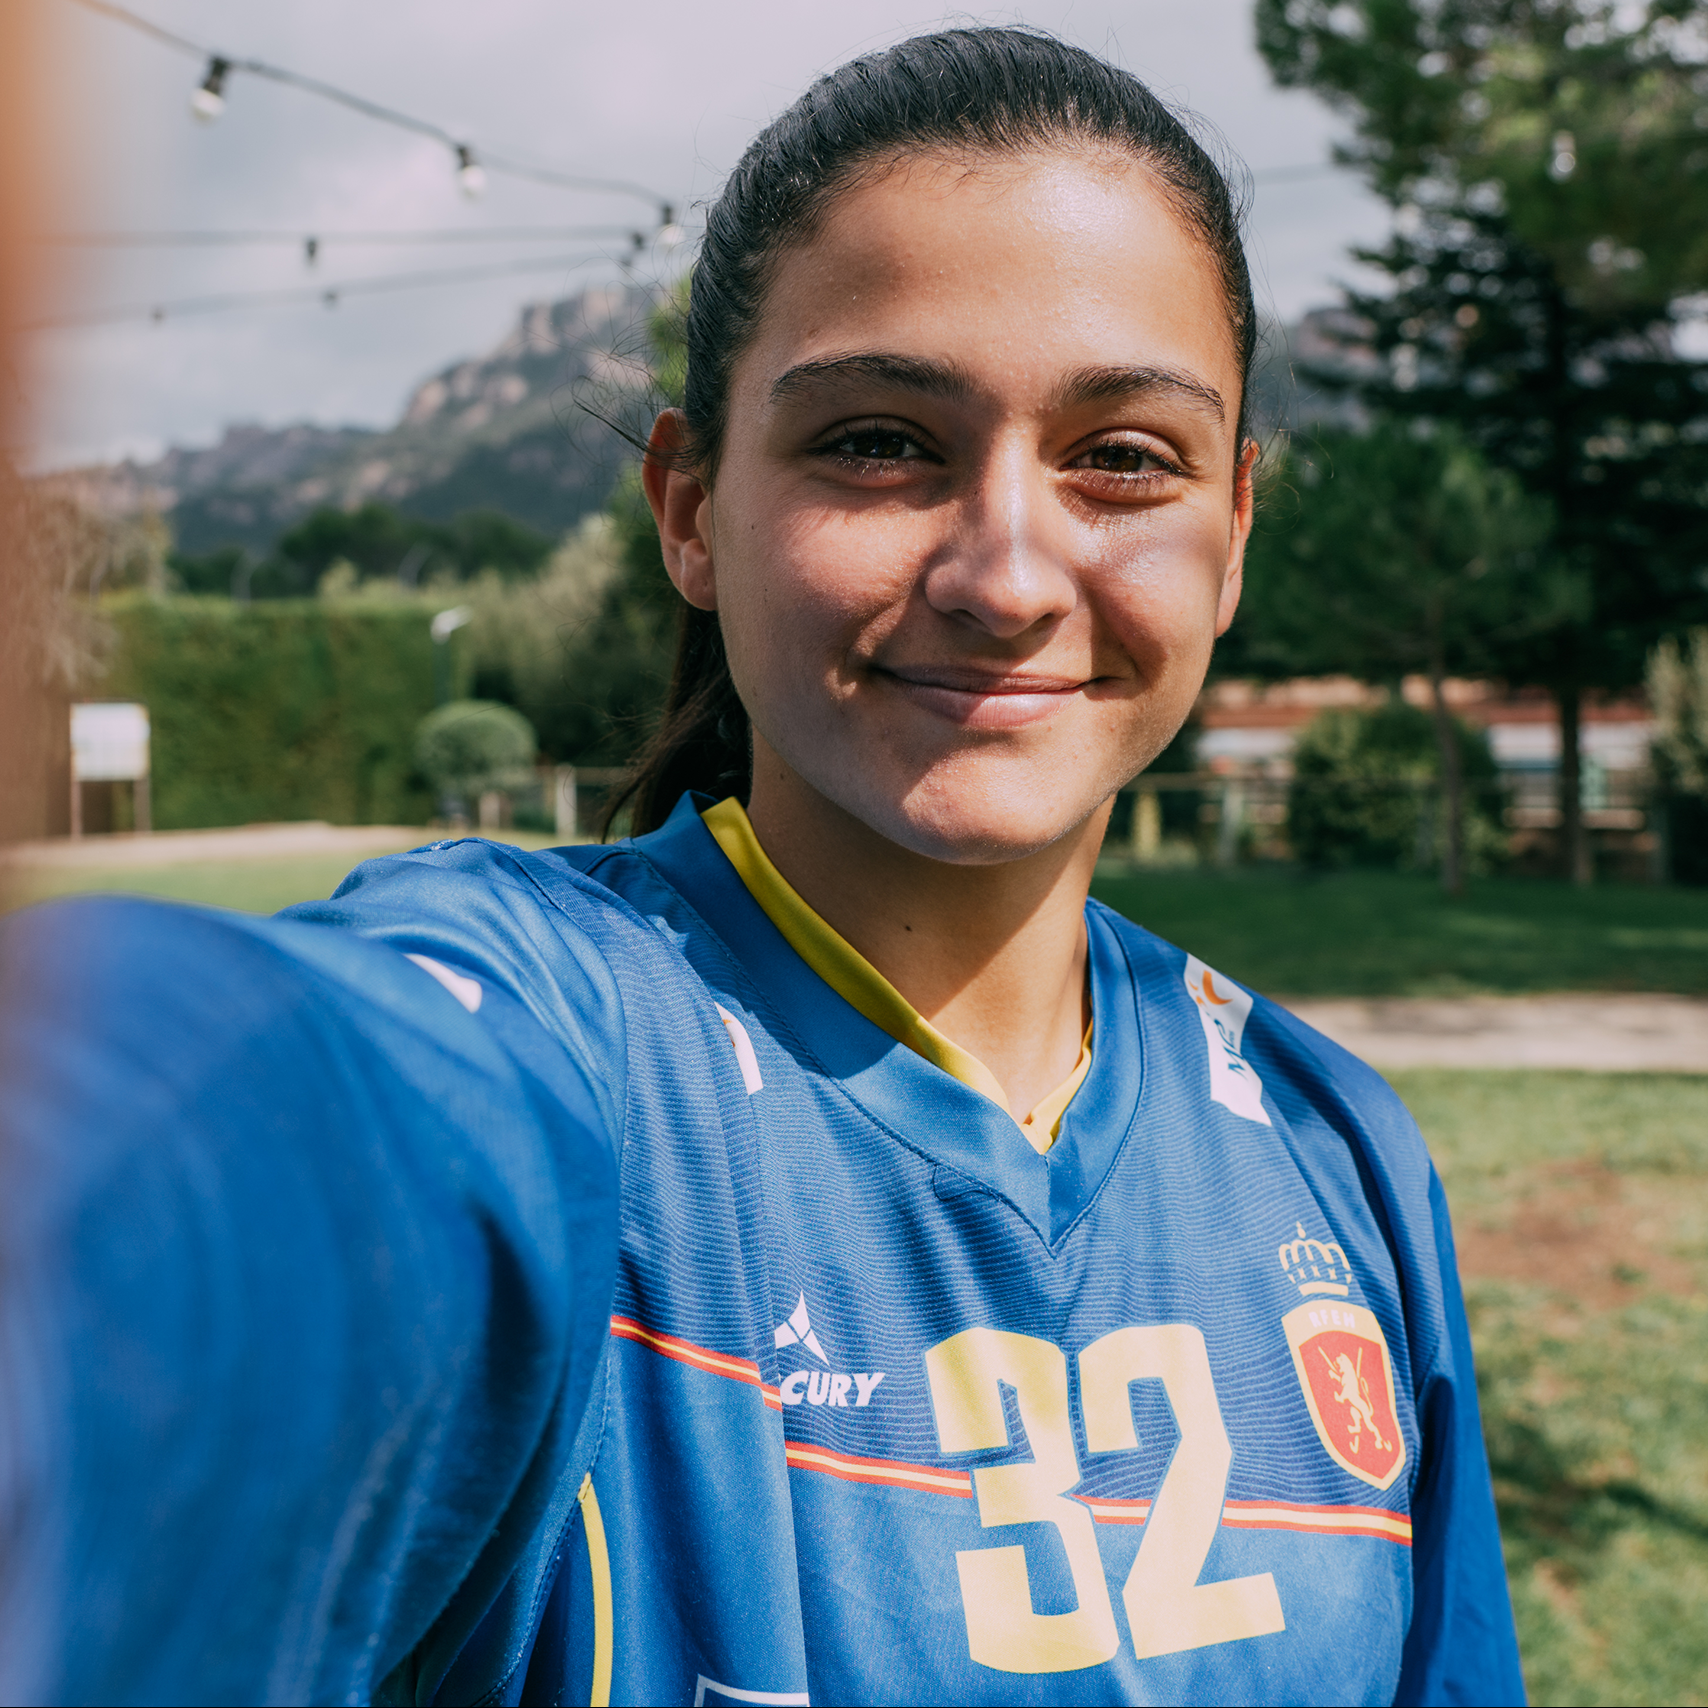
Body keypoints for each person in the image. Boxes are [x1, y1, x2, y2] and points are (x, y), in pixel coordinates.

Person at [0, 28, 1524, 1707]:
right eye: (878, 441)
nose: (1007, 573)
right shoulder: (556, 1041)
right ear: (688, 508)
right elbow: (227, 1129)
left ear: (1234, 532)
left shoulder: (1342, 1156)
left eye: (1124, 457)